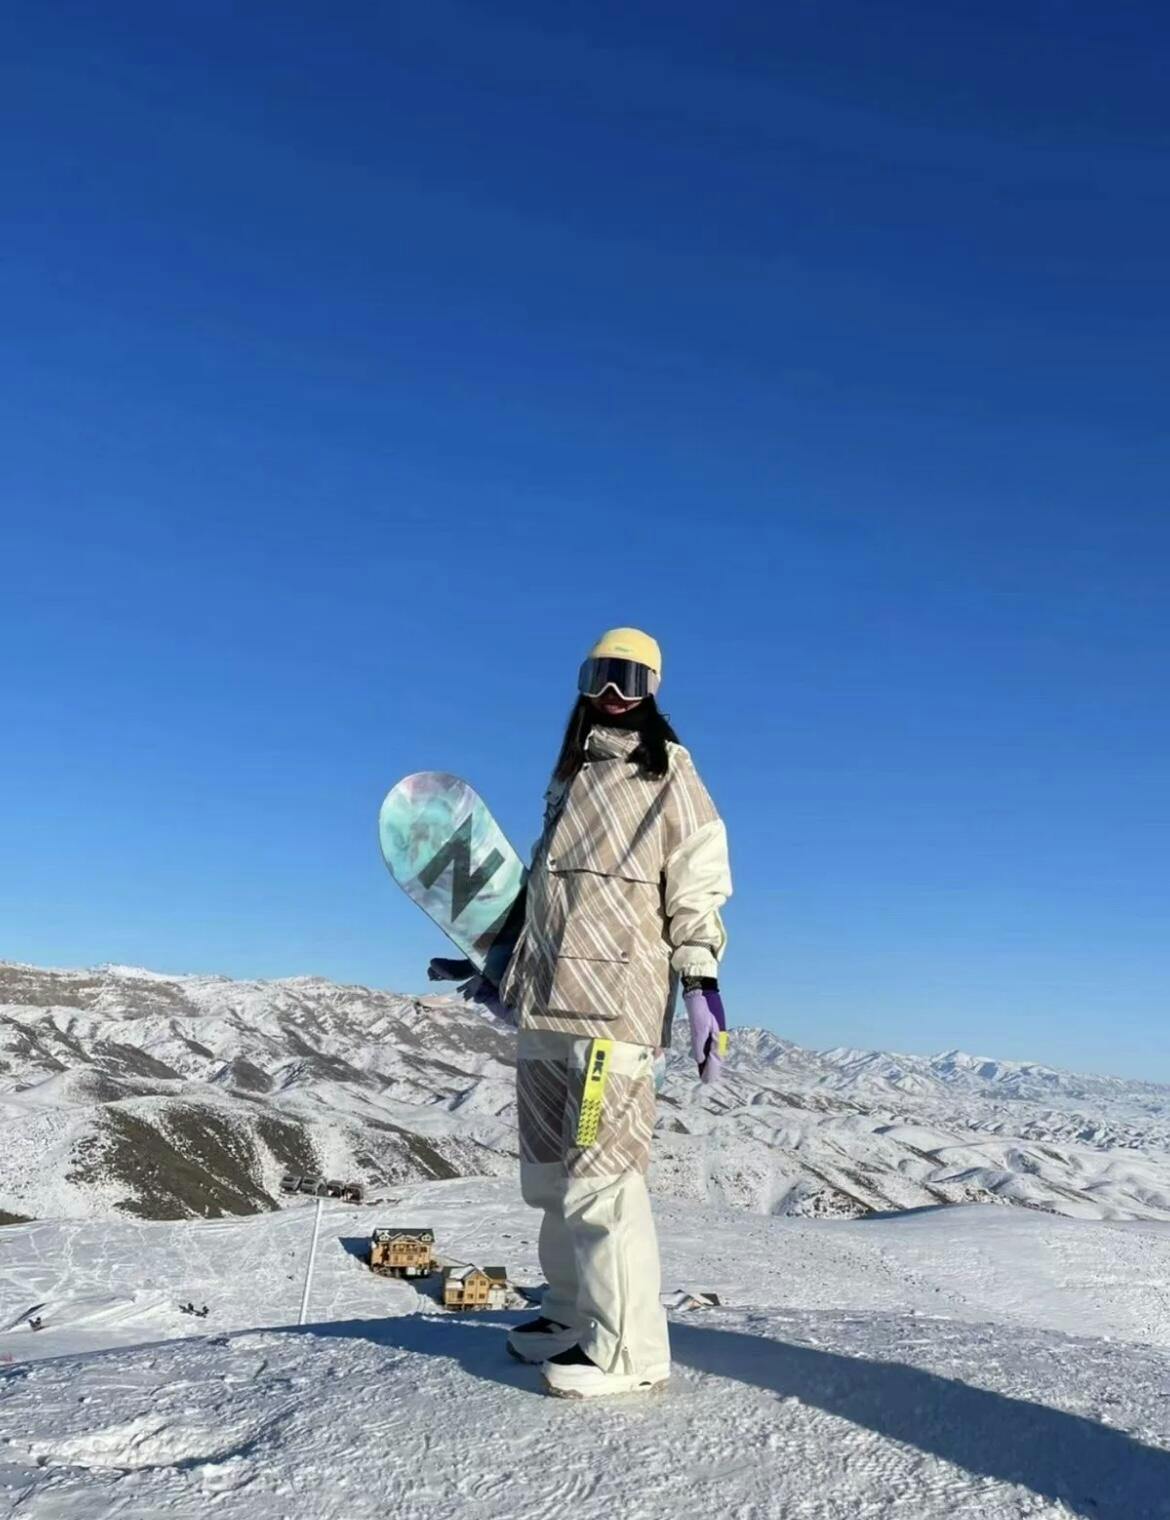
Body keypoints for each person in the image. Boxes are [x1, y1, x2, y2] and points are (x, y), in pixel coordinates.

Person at [497, 626, 732, 1398]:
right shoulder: (571, 775)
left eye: (630, 678)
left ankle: (630, 1350)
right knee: (547, 1177)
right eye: (601, 674)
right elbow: (546, 893)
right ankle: (571, 1312)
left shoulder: (671, 777)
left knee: (602, 1180)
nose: (613, 693)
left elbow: (697, 885)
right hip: (545, 1002)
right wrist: (497, 962)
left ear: (654, 690)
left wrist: (700, 983)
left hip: (613, 1013)